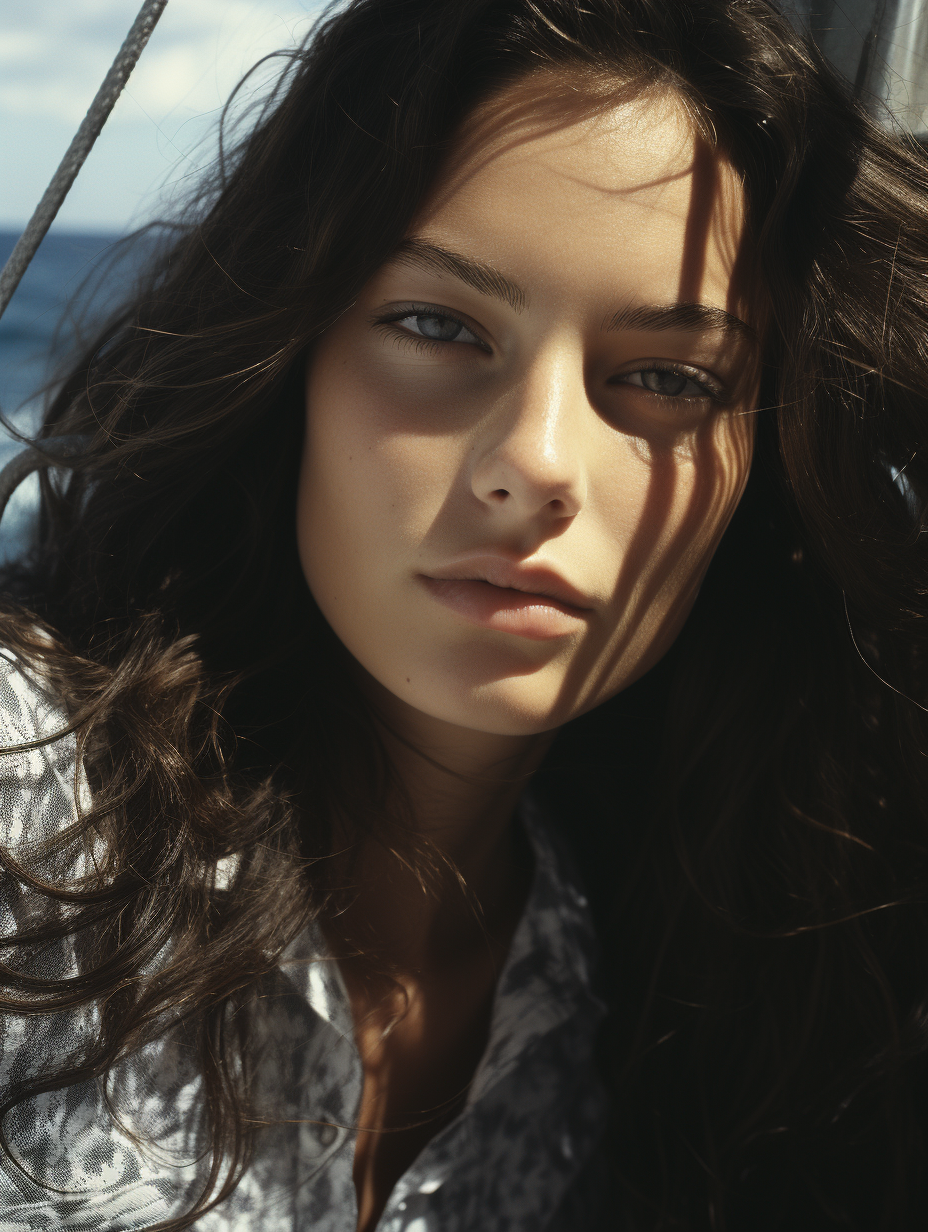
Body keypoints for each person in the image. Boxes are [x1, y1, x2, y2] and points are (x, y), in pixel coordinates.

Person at [0, 0, 926, 1228]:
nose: (535, 460)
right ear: (291, 363)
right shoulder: (30, 796)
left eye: (666, 377)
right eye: (436, 324)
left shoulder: (635, 987)